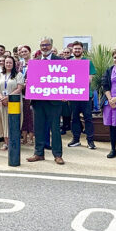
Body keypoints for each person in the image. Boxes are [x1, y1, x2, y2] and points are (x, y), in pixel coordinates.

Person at [28, 36, 66, 165]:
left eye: (47, 45)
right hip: (38, 101)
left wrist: (66, 93)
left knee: (55, 129)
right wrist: (28, 82)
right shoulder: (35, 62)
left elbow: (67, 79)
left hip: (54, 102)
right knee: (38, 128)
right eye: (42, 45)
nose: (44, 47)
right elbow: (29, 78)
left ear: (51, 46)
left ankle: (58, 155)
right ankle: (38, 153)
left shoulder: (60, 61)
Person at [67, 41, 96, 149]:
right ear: (72, 50)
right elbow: (65, 79)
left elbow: (90, 79)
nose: (77, 50)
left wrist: (77, 80)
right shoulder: (68, 62)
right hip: (73, 95)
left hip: (85, 95)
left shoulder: (88, 62)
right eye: (75, 49)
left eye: (79, 48)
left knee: (88, 118)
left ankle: (90, 141)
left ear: (82, 50)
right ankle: (76, 139)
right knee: (74, 118)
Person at [0, 54, 24, 151]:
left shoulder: (18, 75)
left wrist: (8, 97)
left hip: (14, 102)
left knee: (13, 122)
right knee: (3, 121)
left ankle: (13, 142)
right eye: (6, 62)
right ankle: (6, 142)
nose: (8, 64)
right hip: (2, 102)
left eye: (10, 63)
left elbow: (19, 89)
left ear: (14, 64)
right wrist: (1, 98)